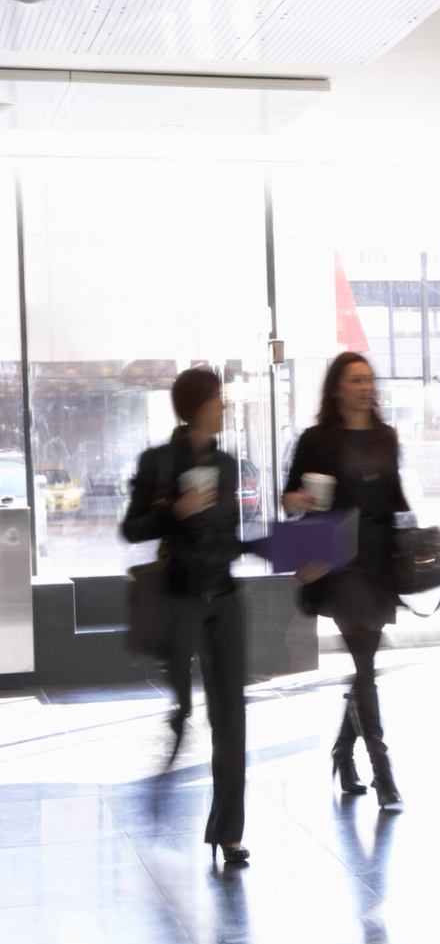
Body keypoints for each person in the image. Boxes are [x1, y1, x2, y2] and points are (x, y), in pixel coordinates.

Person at [123, 367, 250, 865]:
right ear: (196, 405)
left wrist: (284, 546)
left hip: (224, 595)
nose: (223, 407)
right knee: (185, 710)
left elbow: (233, 535)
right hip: (178, 596)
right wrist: (175, 511)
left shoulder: (229, 465)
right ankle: (174, 732)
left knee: (231, 715)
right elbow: (131, 529)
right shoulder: (158, 462)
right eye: (218, 399)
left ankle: (229, 831)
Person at [285, 352, 408, 811]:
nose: (365, 387)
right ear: (337, 387)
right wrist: (298, 501)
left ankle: (341, 750)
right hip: (337, 560)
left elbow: (397, 501)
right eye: (356, 379)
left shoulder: (386, 437)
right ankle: (383, 772)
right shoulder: (317, 440)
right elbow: (290, 498)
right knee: (364, 666)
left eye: (369, 379)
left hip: (378, 560)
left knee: (364, 665)